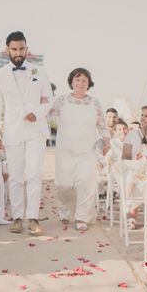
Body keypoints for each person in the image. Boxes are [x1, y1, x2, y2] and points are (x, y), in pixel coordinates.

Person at [0, 31, 53, 236]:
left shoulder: (39, 71)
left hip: (36, 131)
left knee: (34, 174)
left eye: (21, 49)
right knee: (16, 176)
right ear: (7, 50)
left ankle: (33, 217)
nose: (18, 53)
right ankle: (17, 217)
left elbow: (49, 100)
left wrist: (38, 113)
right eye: (14, 49)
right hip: (12, 131)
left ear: (27, 49)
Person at [49, 68, 109, 231]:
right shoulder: (61, 101)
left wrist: (106, 139)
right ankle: (67, 207)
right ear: (71, 82)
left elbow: (102, 123)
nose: (81, 83)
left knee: (85, 183)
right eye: (77, 79)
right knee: (63, 185)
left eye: (84, 80)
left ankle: (82, 217)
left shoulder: (94, 102)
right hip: (65, 150)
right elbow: (47, 117)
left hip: (87, 150)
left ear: (89, 83)